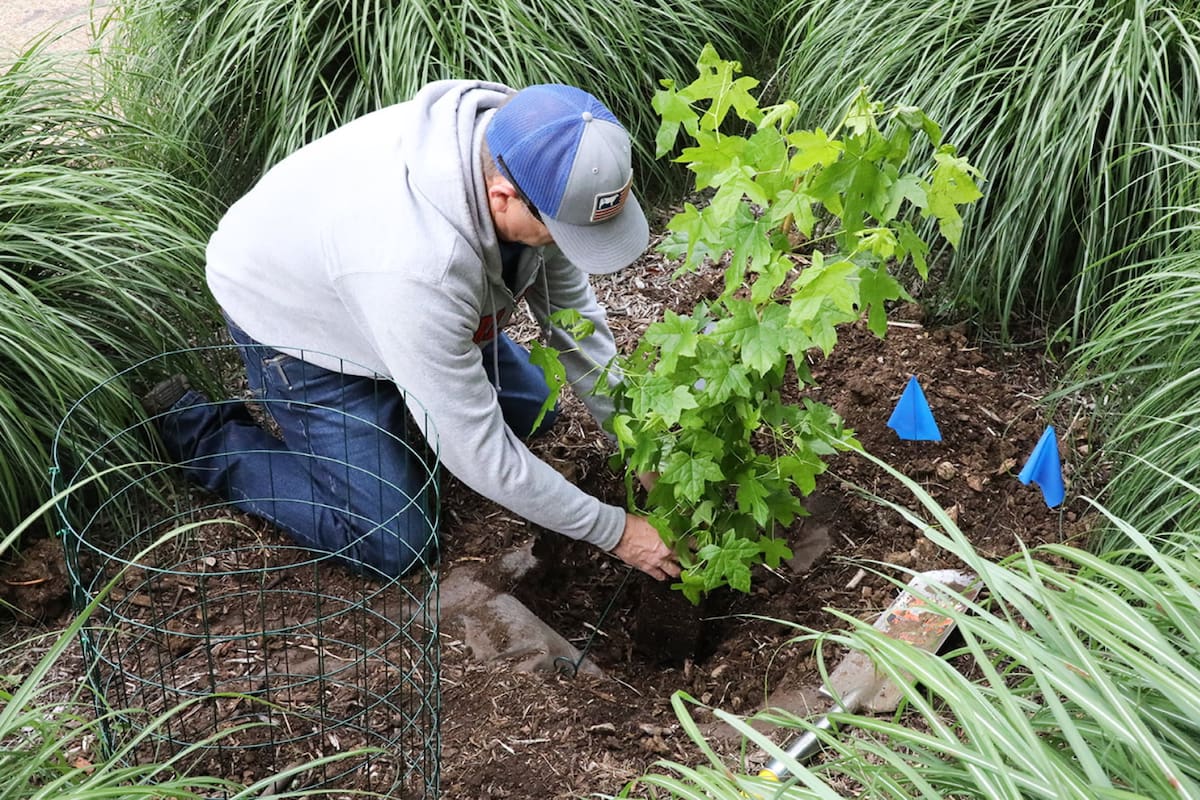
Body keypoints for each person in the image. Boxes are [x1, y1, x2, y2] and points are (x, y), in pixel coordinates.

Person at [144, 80, 681, 584]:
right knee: (394, 544)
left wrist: (638, 448)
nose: (568, 246)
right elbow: (479, 451)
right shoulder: (417, 268)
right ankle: (200, 432)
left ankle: (414, 388)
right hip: (297, 320)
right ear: (501, 198)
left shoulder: (536, 155)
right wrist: (614, 532)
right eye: (560, 234)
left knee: (536, 406)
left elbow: (576, 327)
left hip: (379, 293)